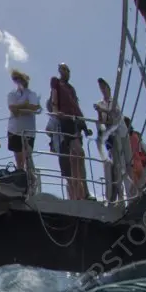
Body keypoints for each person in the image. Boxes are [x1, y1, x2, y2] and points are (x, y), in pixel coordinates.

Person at [50, 63, 91, 201]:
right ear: (60, 71)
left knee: (80, 156)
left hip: (76, 122)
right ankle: (79, 194)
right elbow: (54, 98)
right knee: (75, 155)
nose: (66, 72)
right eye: (64, 69)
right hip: (65, 120)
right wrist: (56, 112)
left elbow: (76, 106)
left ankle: (84, 191)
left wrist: (84, 126)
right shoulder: (56, 82)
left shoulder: (71, 89)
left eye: (68, 70)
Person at [6, 69, 41, 173]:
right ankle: (21, 178)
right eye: (16, 79)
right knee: (19, 161)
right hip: (14, 129)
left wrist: (20, 108)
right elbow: (12, 108)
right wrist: (25, 105)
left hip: (28, 131)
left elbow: (34, 108)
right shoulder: (12, 94)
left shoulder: (32, 94)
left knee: (28, 158)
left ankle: (29, 180)